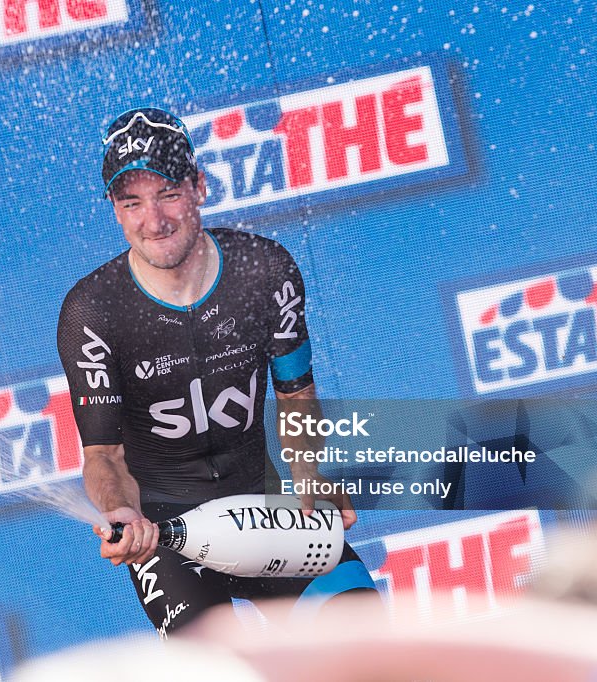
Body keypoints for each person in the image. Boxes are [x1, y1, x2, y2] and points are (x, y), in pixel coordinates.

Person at [56, 107, 377, 638]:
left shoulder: (263, 269)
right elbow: (104, 457)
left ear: (199, 186)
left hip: (267, 508)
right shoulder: (92, 312)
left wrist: (307, 477)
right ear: (113, 208)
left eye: (168, 194)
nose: (153, 220)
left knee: (364, 637)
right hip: (163, 534)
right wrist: (122, 513)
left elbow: (297, 396)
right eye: (131, 202)